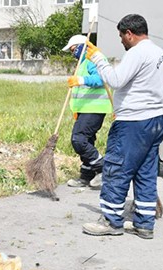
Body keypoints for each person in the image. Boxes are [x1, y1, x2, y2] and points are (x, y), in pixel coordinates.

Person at [81, 14, 163, 239]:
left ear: (130, 34)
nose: (121, 40)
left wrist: (99, 59)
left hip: (133, 124)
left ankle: (112, 221)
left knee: (116, 170)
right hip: (155, 121)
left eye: (122, 36)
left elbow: (115, 80)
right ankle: (144, 223)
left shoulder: (137, 53)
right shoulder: (162, 54)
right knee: (145, 174)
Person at [63, 34, 112, 188]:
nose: (73, 54)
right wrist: (77, 109)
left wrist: (80, 80)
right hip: (85, 108)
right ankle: (86, 176)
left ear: (81, 47)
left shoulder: (93, 59)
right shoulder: (82, 63)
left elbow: (101, 79)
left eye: (73, 50)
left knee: (78, 139)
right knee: (87, 140)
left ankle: (103, 168)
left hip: (95, 108)